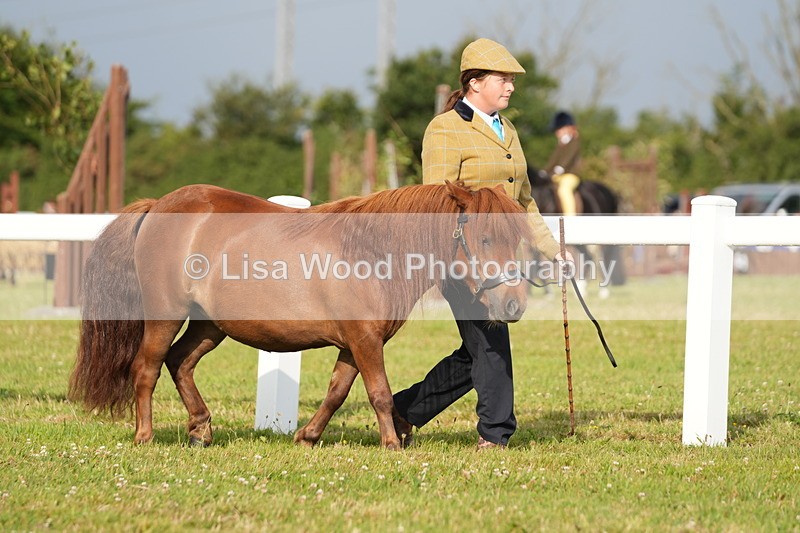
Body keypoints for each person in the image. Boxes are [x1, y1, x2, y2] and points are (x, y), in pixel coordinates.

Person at [392, 38, 570, 449]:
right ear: (474, 82)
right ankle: (495, 433)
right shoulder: (445, 129)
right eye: (503, 79)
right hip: (464, 259)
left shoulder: (508, 131)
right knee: (491, 343)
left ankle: (405, 410)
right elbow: (436, 199)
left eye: (512, 80)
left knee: (474, 351)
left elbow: (523, 201)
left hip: (502, 256)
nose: (511, 87)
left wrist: (553, 250)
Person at [543, 110, 582, 216]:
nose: (557, 132)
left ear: (568, 128)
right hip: (558, 175)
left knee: (564, 190)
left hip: (571, 175)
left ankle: (570, 217)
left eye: (559, 129)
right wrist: (544, 171)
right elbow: (553, 160)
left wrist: (560, 168)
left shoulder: (574, 142)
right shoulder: (560, 144)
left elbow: (569, 157)